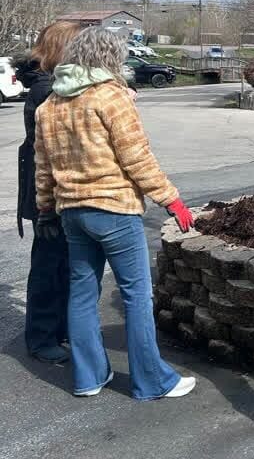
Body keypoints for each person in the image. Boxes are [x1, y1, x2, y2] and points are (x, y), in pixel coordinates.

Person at [34, 27, 198, 400]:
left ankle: (89, 377)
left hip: (72, 213)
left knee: (82, 293)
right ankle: (152, 380)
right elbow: (136, 157)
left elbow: (43, 167)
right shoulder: (111, 98)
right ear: (109, 56)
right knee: (137, 295)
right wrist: (170, 200)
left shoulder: (50, 106)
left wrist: (45, 208)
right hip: (113, 210)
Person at [14, 20, 83, 364]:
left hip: (54, 186)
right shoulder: (46, 89)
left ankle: (59, 328)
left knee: (62, 262)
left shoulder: (52, 85)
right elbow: (48, 150)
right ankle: (41, 337)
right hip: (48, 189)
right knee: (49, 266)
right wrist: (47, 205)